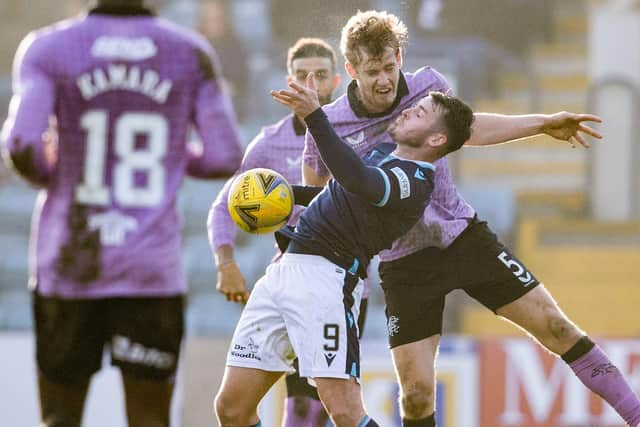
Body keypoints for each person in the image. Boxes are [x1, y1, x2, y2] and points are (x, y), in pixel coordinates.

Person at [302, 10, 640, 427]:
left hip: (461, 237)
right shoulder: (332, 122)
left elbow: (471, 128)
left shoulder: (428, 87)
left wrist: (543, 123)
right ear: (351, 69)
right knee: (416, 394)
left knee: (555, 326)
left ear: (400, 58)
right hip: (403, 264)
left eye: (390, 66)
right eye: (372, 72)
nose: (384, 80)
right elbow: (317, 189)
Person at [0, 1, 243, 426]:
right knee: (149, 420)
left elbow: (21, 144)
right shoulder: (188, 51)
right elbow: (225, 155)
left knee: (60, 418)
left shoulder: (49, 48)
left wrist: (49, 172)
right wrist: (170, 150)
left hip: (70, 264)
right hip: (150, 272)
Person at [214, 73, 474, 427]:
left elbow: (357, 181)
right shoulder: (384, 153)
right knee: (232, 409)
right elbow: (336, 194)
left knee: (344, 412)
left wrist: (314, 117)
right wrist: (281, 196)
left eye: (421, 112)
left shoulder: (415, 181)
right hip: (283, 271)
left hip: (327, 280)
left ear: (437, 138)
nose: (409, 110)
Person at [208, 37, 342, 426]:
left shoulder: (352, 134)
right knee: (232, 409)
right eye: (302, 75)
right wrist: (225, 261)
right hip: (285, 279)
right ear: (288, 82)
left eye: (319, 75)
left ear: (335, 81)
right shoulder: (269, 143)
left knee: (307, 410)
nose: (309, 83)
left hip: (338, 284)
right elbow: (224, 204)